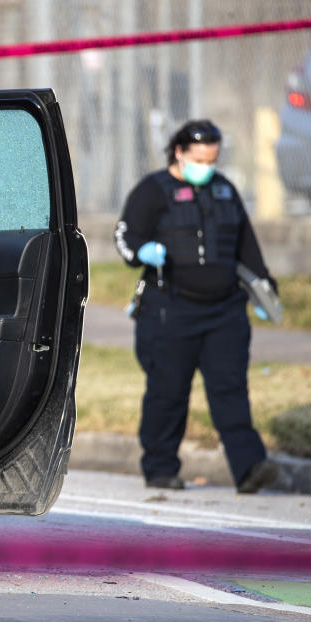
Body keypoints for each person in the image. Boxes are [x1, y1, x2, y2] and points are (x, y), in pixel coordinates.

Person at [114, 119, 279, 493]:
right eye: (200, 159)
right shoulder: (153, 190)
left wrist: (265, 286)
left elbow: (246, 244)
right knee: (168, 391)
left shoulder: (224, 190)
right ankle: (159, 467)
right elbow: (125, 234)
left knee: (230, 389)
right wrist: (140, 251)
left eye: (212, 159)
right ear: (180, 152)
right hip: (170, 308)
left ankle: (250, 467)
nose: (207, 166)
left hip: (225, 311)